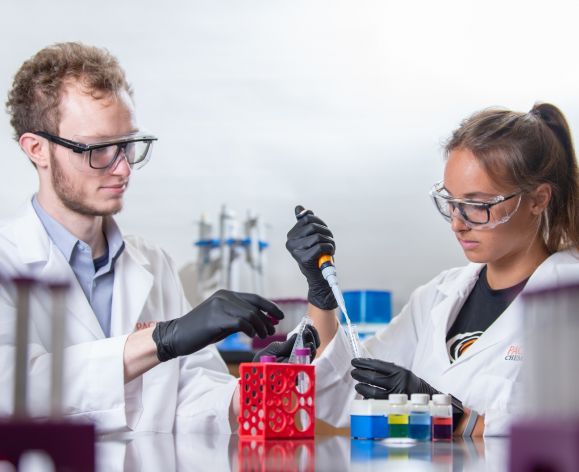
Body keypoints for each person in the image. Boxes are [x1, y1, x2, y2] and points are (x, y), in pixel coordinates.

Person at [0, 42, 284, 433]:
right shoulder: (6, 261)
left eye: (128, 145)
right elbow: (15, 390)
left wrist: (255, 389)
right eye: (98, 149)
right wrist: (160, 340)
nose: (122, 169)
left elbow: (191, 396)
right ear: (37, 150)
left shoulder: (153, 263)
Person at [282, 103, 579, 436]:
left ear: (538, 199)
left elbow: (565, 429)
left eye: (477, 205)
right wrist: (321, 296)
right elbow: (349, 393)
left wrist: (456, 418)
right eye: (451, 202)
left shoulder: (569, 299)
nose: (457, 223)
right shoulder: (436, 297)